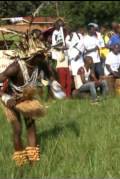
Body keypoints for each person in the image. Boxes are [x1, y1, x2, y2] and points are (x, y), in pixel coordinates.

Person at [0, 33, 56, 166]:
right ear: (33, 55)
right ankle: (20, 162)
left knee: (31, 127)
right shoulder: (15, 67)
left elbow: (51, 75)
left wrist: (52, 84)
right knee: (18, 129)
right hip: (10, 98)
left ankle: (33, 162)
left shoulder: (40, 65)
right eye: (41, 55)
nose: (44, 57)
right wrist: (5, 98)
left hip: (26, 98)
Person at [51, 19, 72, 97]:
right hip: (59, 59)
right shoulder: (55, 34)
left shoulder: (64, 34)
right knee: (62, 80)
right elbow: (54, 46)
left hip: (66, 59)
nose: (61, 27)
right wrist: (62, 48)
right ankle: (63, 96)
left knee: (68, 81)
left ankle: (68, 95)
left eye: (62, 25)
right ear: (56, 26)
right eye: (59, 25)